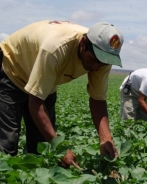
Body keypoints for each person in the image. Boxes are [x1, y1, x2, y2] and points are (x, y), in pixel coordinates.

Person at [0, 20, 124, 168]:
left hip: (45, 83)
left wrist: (106, 139)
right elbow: (35, 103)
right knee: (6, 145)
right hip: (12, 71)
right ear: (83, 42)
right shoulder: (55, 48)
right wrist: (60, 149)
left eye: (102, 63)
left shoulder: (102, 58)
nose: (96, 67)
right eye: (92, 59)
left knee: (42, 147)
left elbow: (98, 99)